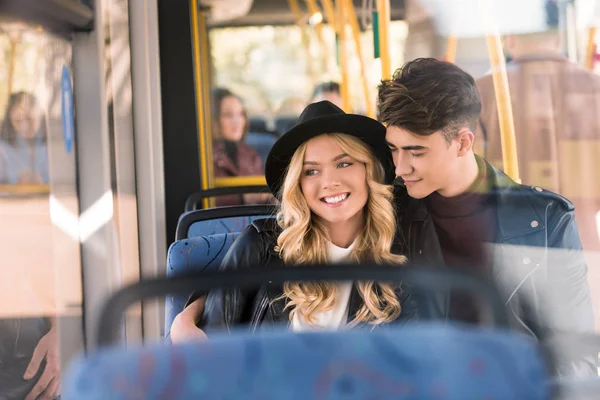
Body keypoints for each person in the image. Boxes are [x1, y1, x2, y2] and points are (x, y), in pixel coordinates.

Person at [377, 57, 596, 376]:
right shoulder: (389, 212)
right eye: (393, 149)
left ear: (463, 142)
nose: (400, 167)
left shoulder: (546, 218)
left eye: (416, 152)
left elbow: (579, 358)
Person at [170, 101, 415, 340]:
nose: (329, 182)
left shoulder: (400, 251)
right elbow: (211, 350)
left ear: (368, 170)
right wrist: (185, 317)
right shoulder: (260, 246)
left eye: (343, 163)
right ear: (298, 184)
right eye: (312, 171)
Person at [476, 28, 600, 256]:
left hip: (510, 244)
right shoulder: (594, 88)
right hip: (584, 242)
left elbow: (473, 178)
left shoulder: (482, 91)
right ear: (558, 38)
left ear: (510, 39)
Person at [210, 87, 271, 206]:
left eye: (241, 114)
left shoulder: (248, 153)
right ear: (213, 119)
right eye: (227, 115)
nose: (237, 121)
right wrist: (243, 198)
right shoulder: (204, 156)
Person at [0, 92, 48, 184]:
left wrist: (42, 184)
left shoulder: (53, 145)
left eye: (30, 119)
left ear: (39, 116)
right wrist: (16, 185)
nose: (24, 126)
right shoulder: (3, 150)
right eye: (18, 121)